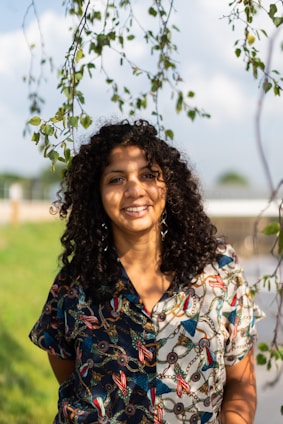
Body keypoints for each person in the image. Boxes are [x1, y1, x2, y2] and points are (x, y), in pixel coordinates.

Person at [29, 119, 260, 424]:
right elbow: (69, 379)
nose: (135, 190)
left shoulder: (219, 269)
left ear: (168, 186)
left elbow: (241, 382)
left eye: (148, 175)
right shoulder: (75, 285)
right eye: (116, 179)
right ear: (96, 193)